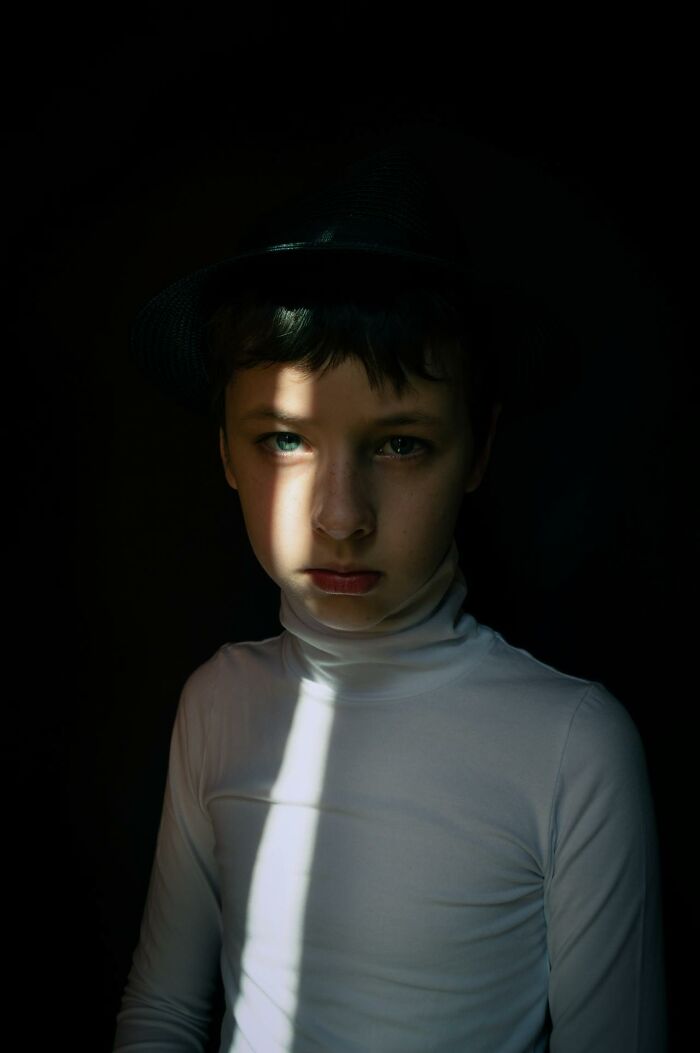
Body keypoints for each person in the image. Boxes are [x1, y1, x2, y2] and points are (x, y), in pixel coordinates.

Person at [113, 144, 666, 1052]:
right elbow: (166, 1013)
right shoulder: (217, 704)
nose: (340, 516)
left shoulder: (572, 748)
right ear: (224, 448)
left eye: (401, 444)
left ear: (477, 452)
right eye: (285, 439)